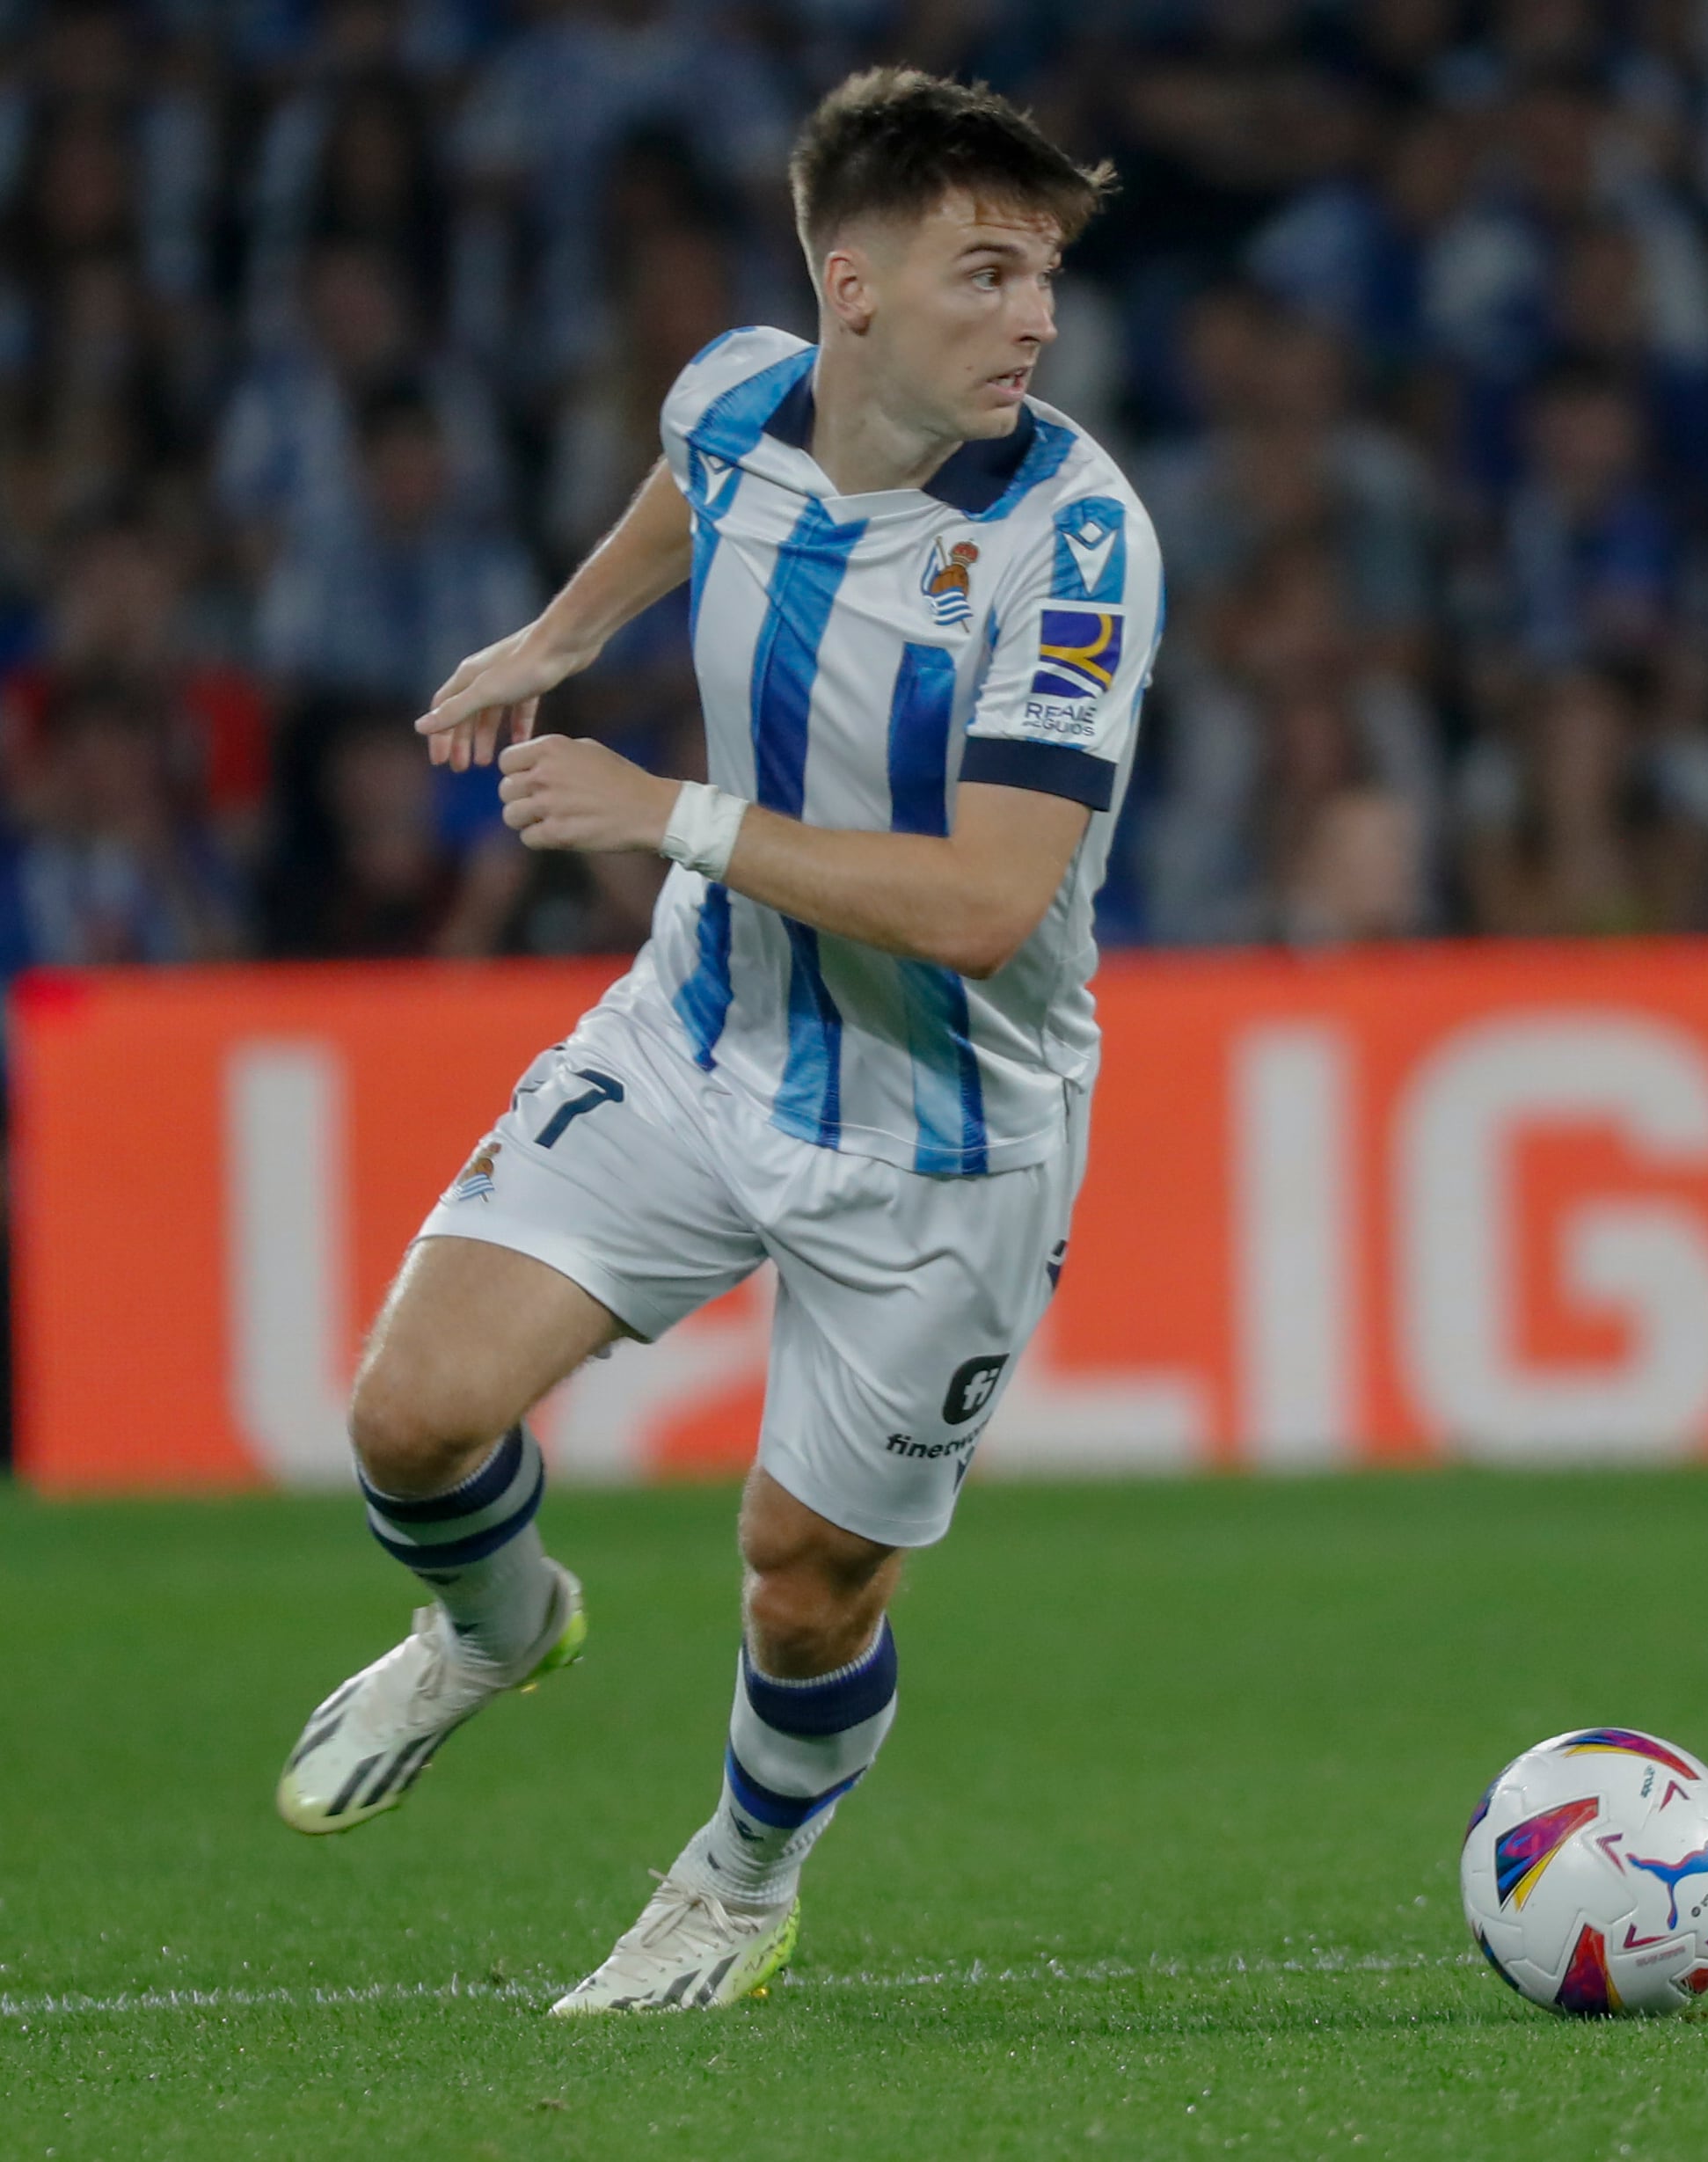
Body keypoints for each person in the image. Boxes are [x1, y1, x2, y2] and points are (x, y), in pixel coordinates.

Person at [272, 70, 1154, 2017]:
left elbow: (990, 897)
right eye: (985, 272)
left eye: (1046, 280)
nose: (1033, 320)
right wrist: (552, 635)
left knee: (803, 1567)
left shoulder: (1072, 548)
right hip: (702, 1030)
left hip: (946, 1130)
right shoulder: (737, 388)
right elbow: (697, 482)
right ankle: (495, 1627)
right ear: (847, 287)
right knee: (411, 1416)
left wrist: (657, 806)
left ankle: (741, 1881)